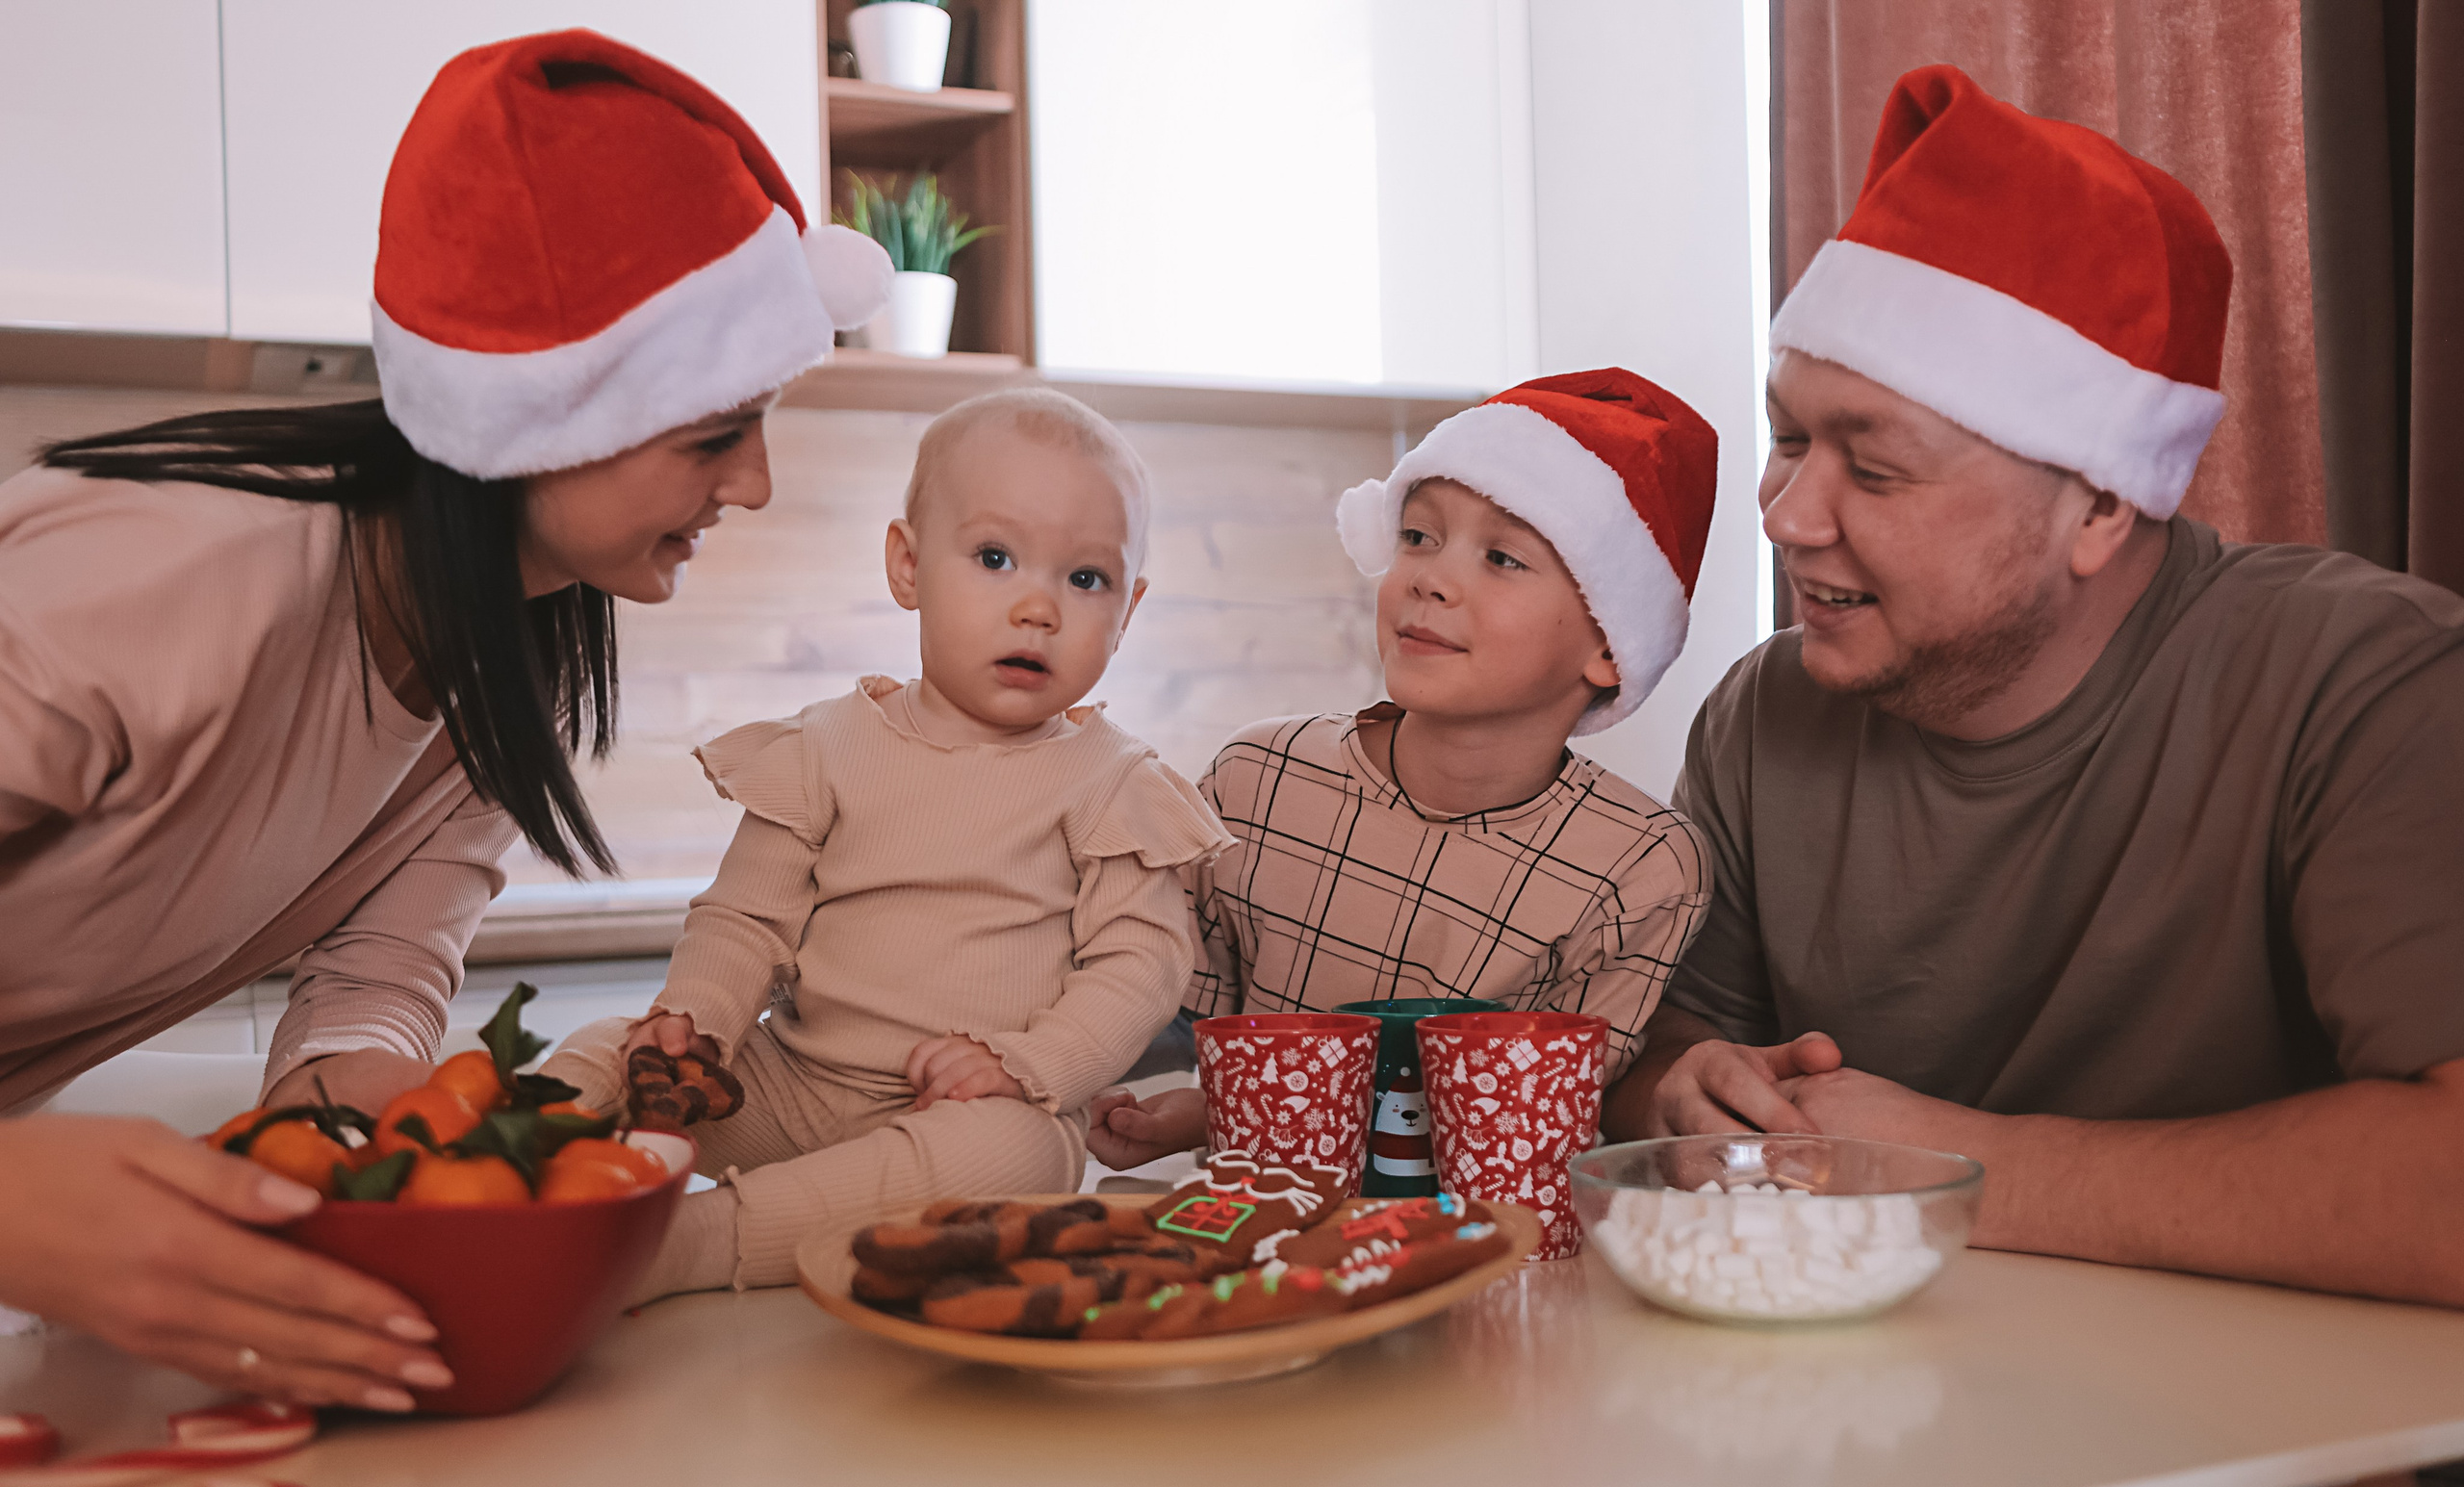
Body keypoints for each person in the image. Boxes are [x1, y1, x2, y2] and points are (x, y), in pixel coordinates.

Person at [1620, 66, 2464, 1487]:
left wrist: (1941, 1170)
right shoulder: (1761, 718)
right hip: (1794, 1485)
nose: (1784, 512)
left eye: (1868, 465)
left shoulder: (2366, 685)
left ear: (2095, 503)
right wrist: (1681, 1082)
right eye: (1787, 439)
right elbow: (1659, 1046)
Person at [0, 30, 893, 1412]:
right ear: (557, 410)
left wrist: (394, 1157)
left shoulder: (497, 656)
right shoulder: (172, 571)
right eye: (716, 435)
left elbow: (371, 984)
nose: (758, 485)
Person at [540, 389, 1230, 1303]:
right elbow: (746, 919)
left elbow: (1139, 966)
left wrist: (1028, 1066)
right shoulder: (826, 746)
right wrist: (694, 1028)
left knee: (1023, 1153)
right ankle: (497, 1173)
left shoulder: (1115, 783)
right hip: (788, 1090)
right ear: (908, 566)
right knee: (606, 1049)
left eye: (1086, 580)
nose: (1038, 607)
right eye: (995, 558)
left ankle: (681, 1245)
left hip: (967, 1111)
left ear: (1129, 608)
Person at [1088, 370, 1716, 1169]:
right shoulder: (1259, 780)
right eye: (1418, 536)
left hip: (1486, 1254)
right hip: (1265, 1243)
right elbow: (1181, 1020)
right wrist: (1198, 1111)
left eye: (1501, 557)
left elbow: (1558, 1123)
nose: (1427, 576)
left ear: (1609, 645)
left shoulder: (1645, 869)